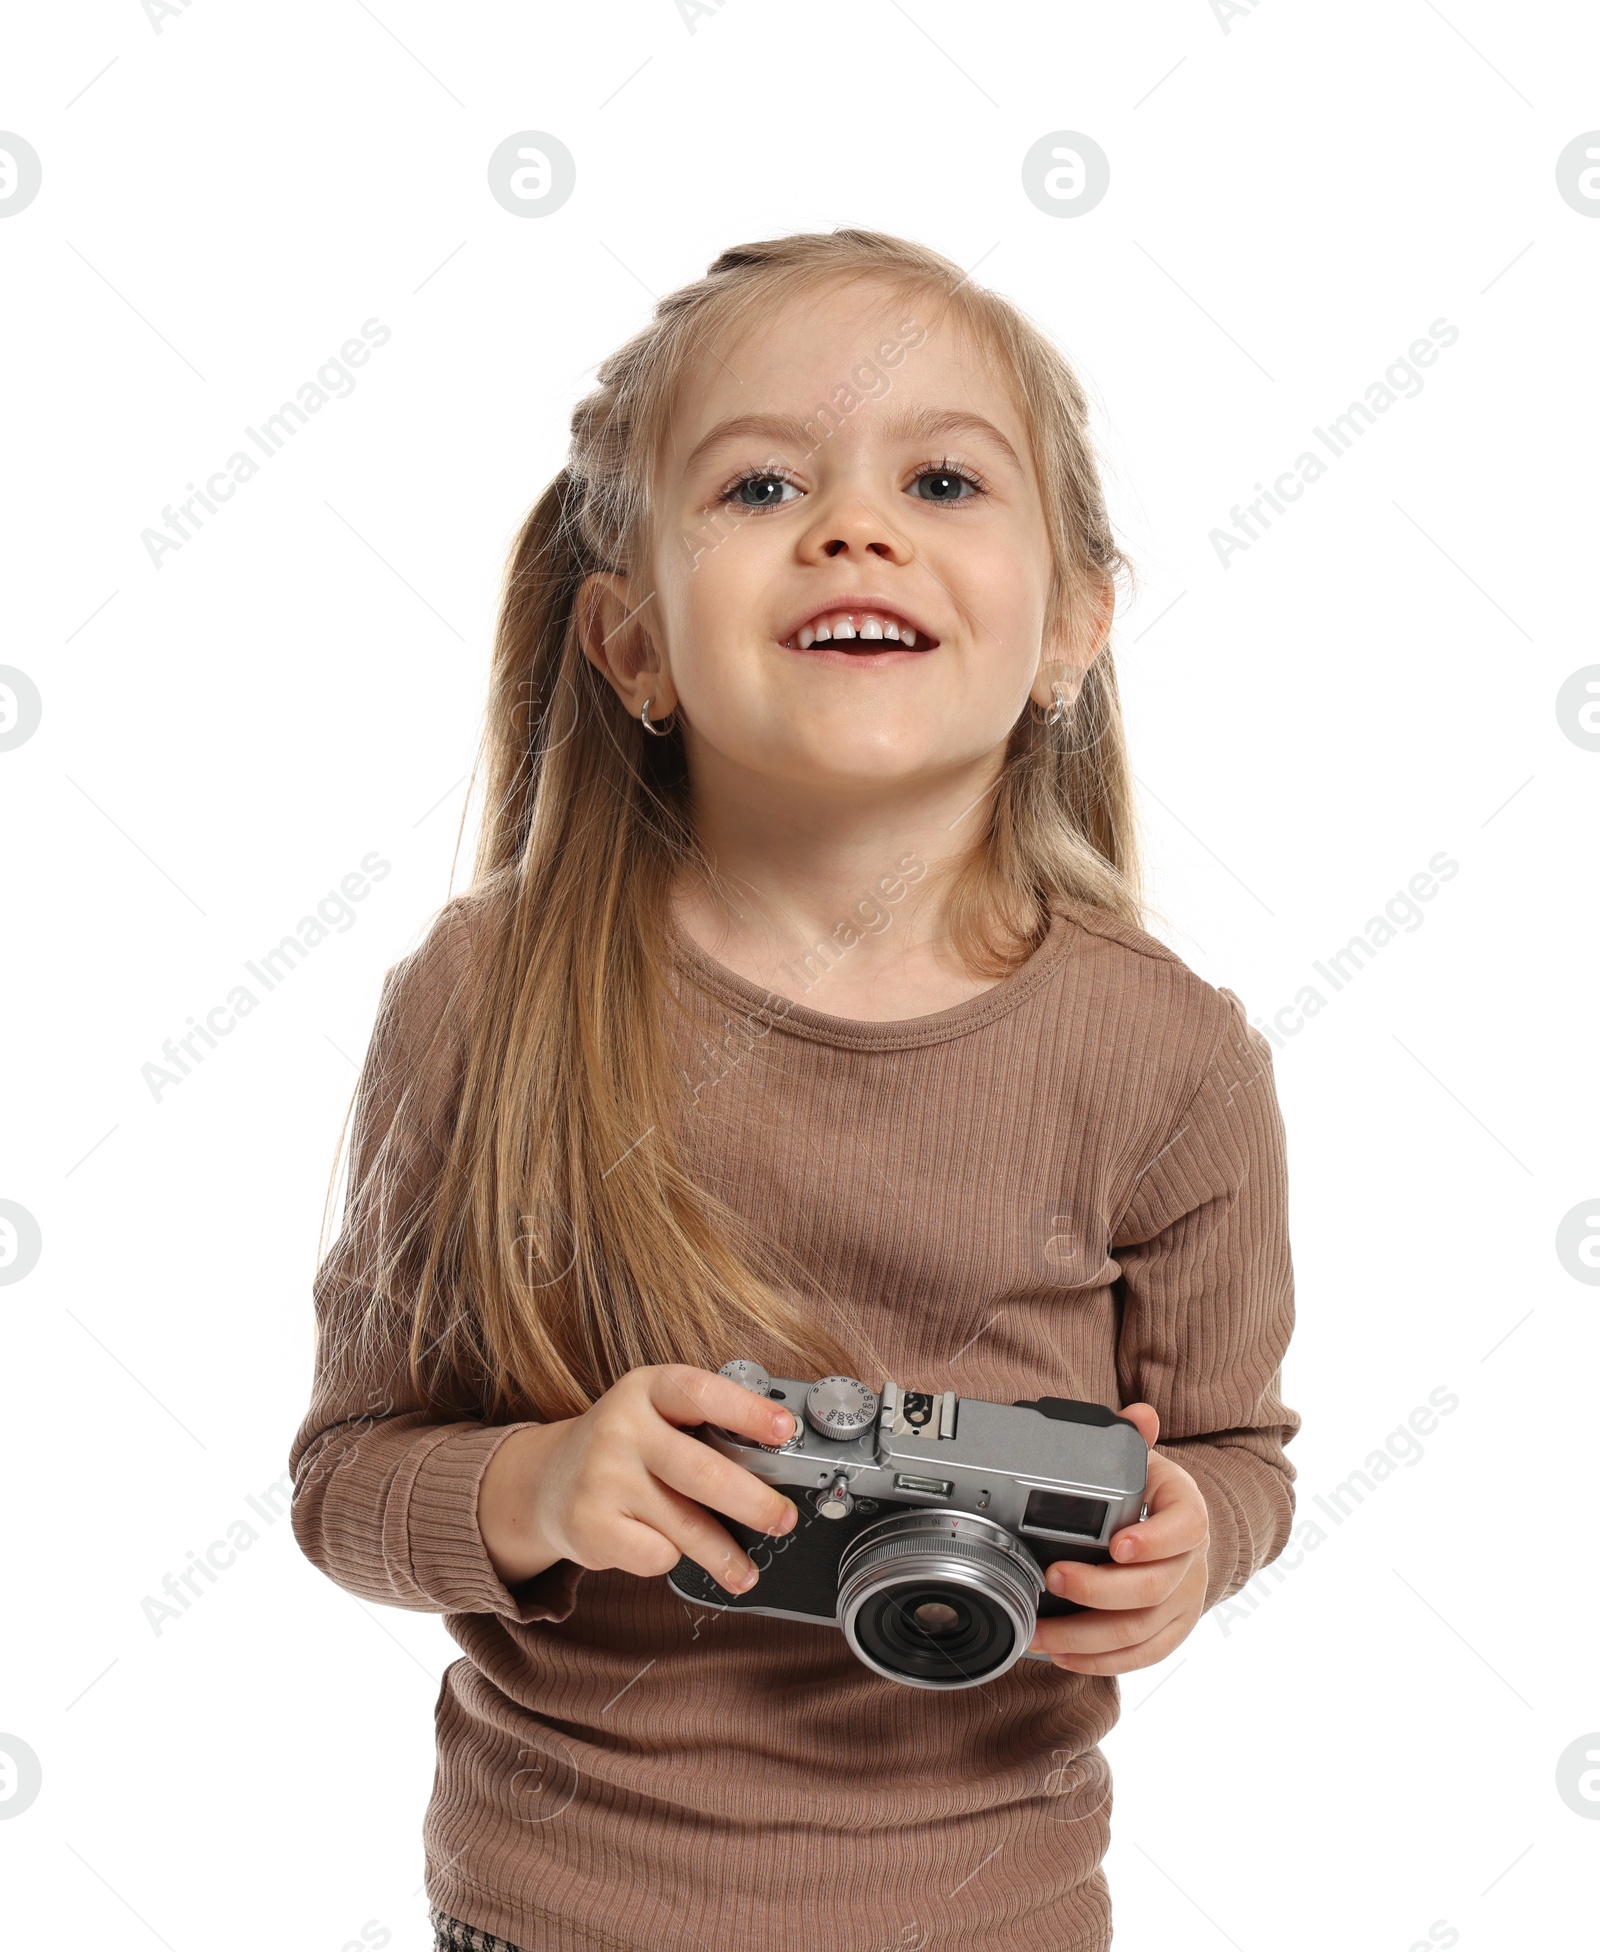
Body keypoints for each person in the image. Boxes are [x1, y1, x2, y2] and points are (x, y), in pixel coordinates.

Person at [290, 226, 1300, 1952]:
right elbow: (345, 1479)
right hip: (559, 1909)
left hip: (990, 1913)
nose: (855, 527)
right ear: (631, 644)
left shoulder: (1170, 1059)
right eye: (760, 484)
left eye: (940, 478)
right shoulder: (491, 1003)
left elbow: (1233, 1452)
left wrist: (1191, 1548)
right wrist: (539, 1488)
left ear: (1069, 625)